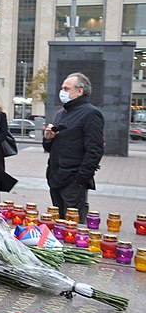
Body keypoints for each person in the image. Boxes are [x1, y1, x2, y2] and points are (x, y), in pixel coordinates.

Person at [43, 73, 104, 223]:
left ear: (80, 91)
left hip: (73, 180)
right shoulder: (61, 114)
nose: (62, 92)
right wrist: (48, 139)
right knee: (58, 224)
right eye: (62, 88)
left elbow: (95, 150)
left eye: (66, 88)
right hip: (55, 176)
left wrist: (80, 179)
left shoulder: (91, 113)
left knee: (73, 227)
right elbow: (51, 147)